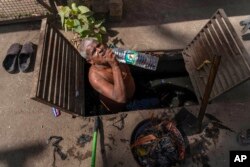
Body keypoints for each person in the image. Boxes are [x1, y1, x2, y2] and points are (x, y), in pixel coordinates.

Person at [79, 38, 135, 112]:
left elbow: (136, 59)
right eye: (94, 51)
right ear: (90, 61)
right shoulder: (95, 77)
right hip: (120, 108)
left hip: (133, 94)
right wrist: (115, 66)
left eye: (99, 45)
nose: (100, 50)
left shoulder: (115, 53)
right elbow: (120, 98)